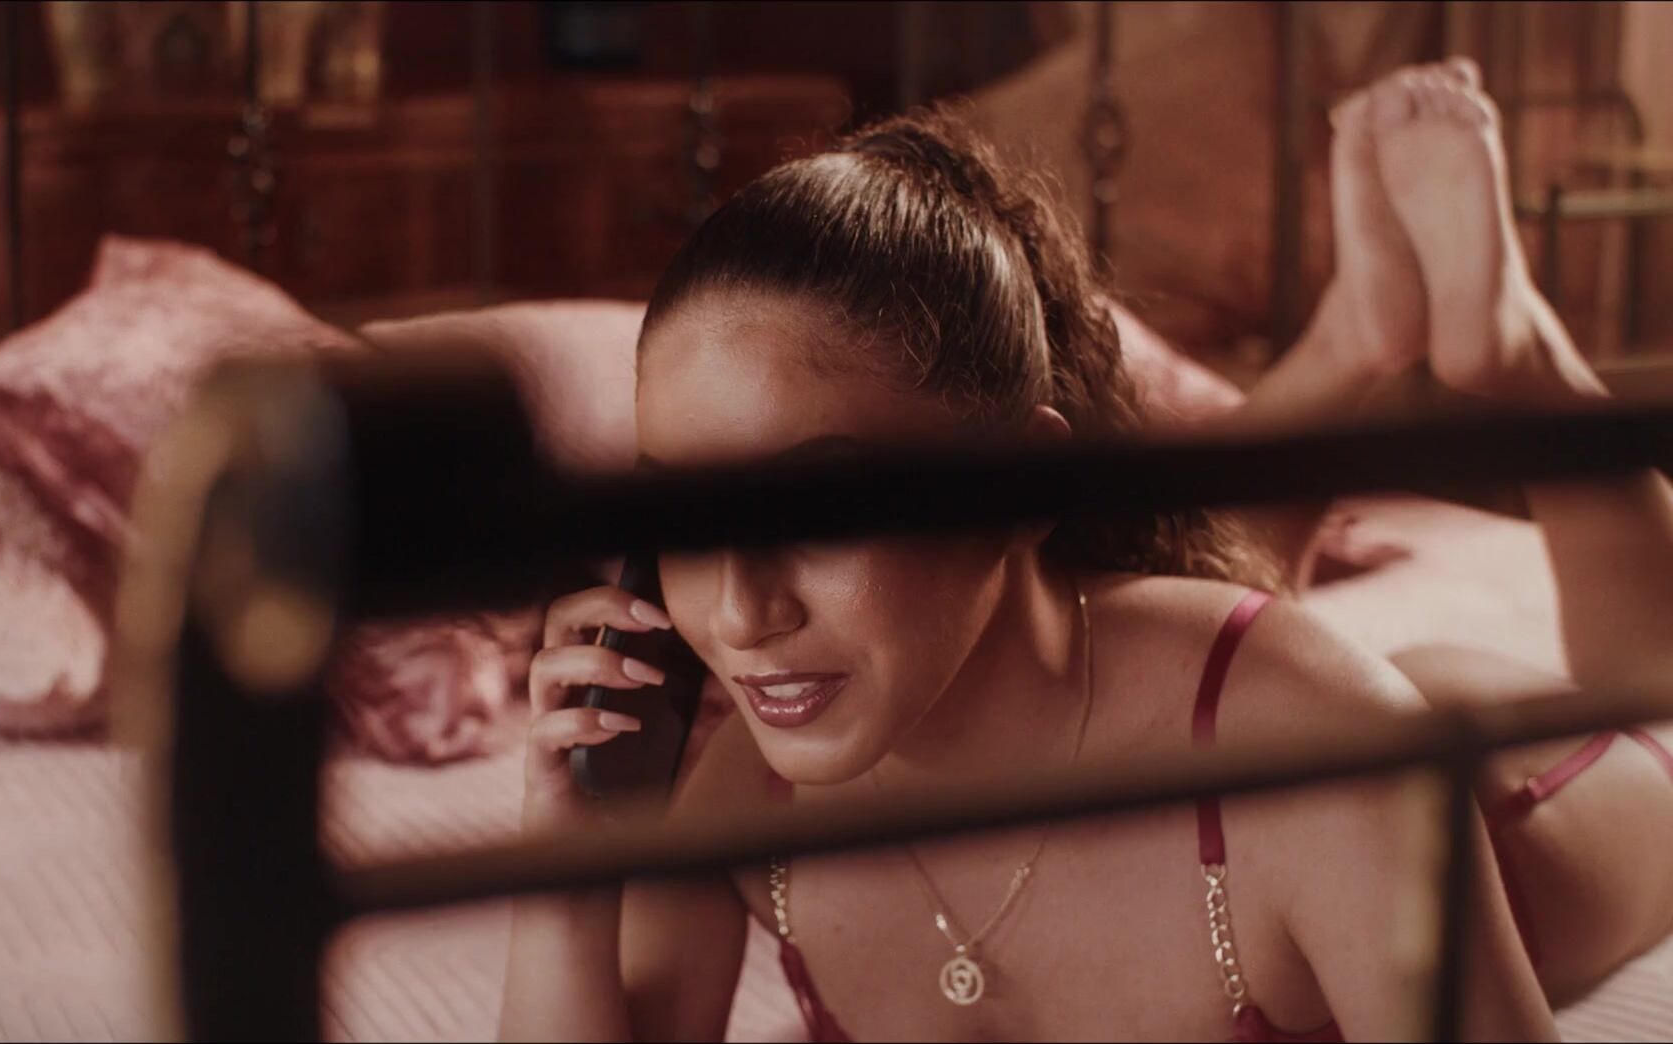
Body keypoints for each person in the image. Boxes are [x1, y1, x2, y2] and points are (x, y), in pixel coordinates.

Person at [501, 58, 1670, 1041]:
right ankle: (1354, 337)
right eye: (690, 517)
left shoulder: (1330, 758)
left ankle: (1516, 354)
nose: (742, 615)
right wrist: (567, 869)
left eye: (820, 507)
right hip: (1153, 683)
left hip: (1508, 792)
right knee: (1174, 592)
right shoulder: (740, 808)